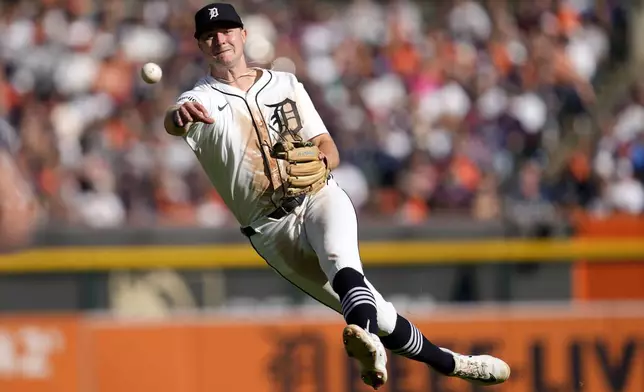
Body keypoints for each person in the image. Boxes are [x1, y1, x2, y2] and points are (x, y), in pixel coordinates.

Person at [163, 3, 511, 389]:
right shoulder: (201, 99)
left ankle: (366, 339)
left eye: (227, 30)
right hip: (271, 229)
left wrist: (321, 159)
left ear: (243, 35)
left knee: (340, 260)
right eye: (210, 35)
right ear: (199, 45)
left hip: (318, 195)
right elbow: (176, 120)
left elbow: (328, 146)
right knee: (378, 314)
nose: (220, 39)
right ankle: (449, 364)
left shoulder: (285, 84)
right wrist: (177, 117)